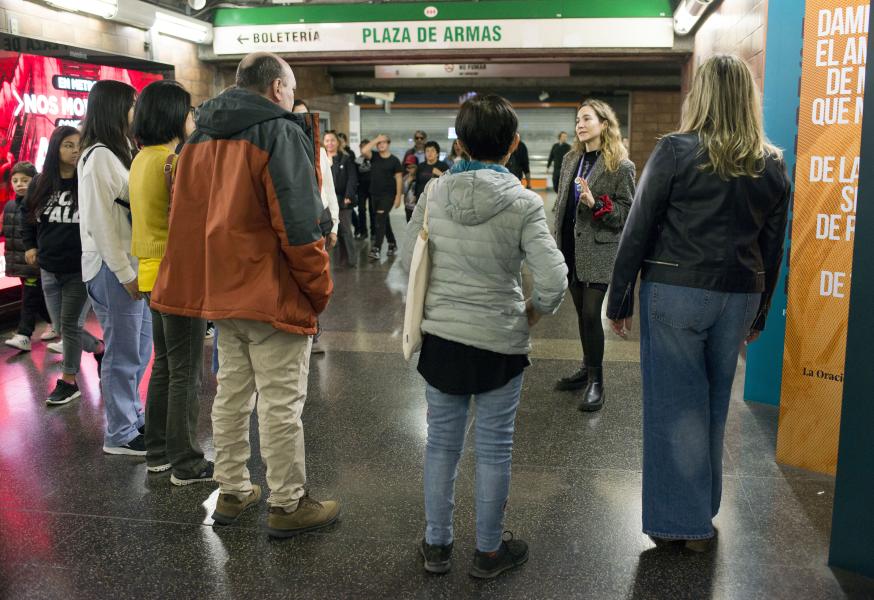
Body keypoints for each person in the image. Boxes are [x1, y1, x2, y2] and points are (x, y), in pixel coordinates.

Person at [606, 55, 790, 552]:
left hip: (676, 291)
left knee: (674, 408)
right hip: (739, 294)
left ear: (701, 95)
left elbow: (638, 227)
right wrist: (761, 310)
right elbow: (773, 247)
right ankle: (701, 510)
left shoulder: (675, 150)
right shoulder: (771, 162)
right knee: (712, 405)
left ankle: (682, 524)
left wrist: (619, 298)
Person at [150, 52, 339, 536]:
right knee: (280, 403)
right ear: (277, 87)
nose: (292, 97)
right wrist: (317, 288)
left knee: (231, 394)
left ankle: (231, 490)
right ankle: (287, 502)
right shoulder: (279, 131)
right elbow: (298, 225)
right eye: (291, 88)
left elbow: (185, 219)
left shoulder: (198, 137)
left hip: (218, 292)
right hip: (270, 291)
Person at [401, 94, 567, 579]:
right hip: (500, 343)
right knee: (494, 449)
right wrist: (532, 313)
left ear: (460, 141)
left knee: (440, 446)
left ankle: (437, 546)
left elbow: (409, 258)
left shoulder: (434, 195)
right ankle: (489, 552)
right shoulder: (524, 201)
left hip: (442, 343)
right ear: (512, 144)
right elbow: (554, 282)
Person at [129, 80, 213, 485]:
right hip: (178, 275)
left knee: (163, 365)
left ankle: (158, 452)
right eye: (189, 111)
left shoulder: (141, 159)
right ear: (173, 116)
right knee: (186, 370)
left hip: (150, 273)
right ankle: (187, 463)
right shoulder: (173, 162)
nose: (192, 118)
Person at [79, 80, 151, 454]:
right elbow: (100, 224)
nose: (135, 111)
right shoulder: (99, 156)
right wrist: (125, 275)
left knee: (138, 348)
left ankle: (133, 417)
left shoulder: (117, 151)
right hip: (113, 270)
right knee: (123, 353)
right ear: (114, 108)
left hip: (129, 266)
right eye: (131, 104)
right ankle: (119, 433)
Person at [553, 99, 635, 412]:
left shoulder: (620, 165)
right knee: (580, 313)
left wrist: (595, 202)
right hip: (570, 248)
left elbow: (626, 212)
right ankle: (587, 368)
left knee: (591, 314)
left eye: (587, 119)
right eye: (577, 120)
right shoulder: (571, 158)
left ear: (603, 124)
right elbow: (562, 203)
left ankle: (596, 382)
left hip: (599, 250)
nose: (580, 125)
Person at [21, 128, 104, 405]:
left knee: (68, 325)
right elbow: (27, 216)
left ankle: (69, 381)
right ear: (56, 148)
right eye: (68, 145)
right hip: (48, 267)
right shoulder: (40, 183)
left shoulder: (87, 181)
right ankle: (99, 348)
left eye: (79, 145)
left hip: (79, 268)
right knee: (60, 326)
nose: (74, 150)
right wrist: (30, 245)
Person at [292, 99, 337, 355]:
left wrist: (335, 225)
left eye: (304, 116)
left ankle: (314, 328)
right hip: (296, 221)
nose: (300, 120)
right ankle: (304, 327)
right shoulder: (284, 145)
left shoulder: (318, 150)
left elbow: (328, 188)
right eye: (295, 115)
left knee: (317, 276)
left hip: (318, 220)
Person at [3, 161, 55, 352]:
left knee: (29, 297)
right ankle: (57, 324)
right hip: (18, 264)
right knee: (37, 298)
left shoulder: (39, 205)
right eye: (15, 180)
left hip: (35, 263)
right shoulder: (9, 206)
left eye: (25, 180)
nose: (19, 184)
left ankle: (24, 334)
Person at [360, 134, 402, 261]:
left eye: (384, 142)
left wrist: (398, 196)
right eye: (379, 143)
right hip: (374, 194)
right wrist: (376, 139)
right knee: (383, 219)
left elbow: (399, 178)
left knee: (379, 218)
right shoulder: (374, 156)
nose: (381, 144)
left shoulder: (394, 160)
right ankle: (392, 243)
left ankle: (376, 248)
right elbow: (364, 150)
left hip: (388, 195)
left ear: (388, 144)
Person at [323, 130, 358, 267]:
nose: (330, 143)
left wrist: (349, 196)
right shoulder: (321, 158)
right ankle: (337, 261)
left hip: (343, 200)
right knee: (331, 231)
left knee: (345, 230)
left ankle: (351, 260)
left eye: (332, 140)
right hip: (326, 202)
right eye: (327, 141)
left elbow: (352, 178)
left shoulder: (345, 158)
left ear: (337, 142)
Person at [355, 139, 372, 239]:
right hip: (361, 188)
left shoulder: (374, 159)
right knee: (361, 210)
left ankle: (374, 232)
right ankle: (363, 232)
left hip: (372, 188)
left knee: (372, 210)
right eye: (362, 148)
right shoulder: (358, 160)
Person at [402, 154, 418, 222]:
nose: (410, 169)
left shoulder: (420, 177)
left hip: (418, 207)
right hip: (408, 206)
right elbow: (403, 192)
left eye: (412, 167)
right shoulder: (405, 178)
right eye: (408, 167)